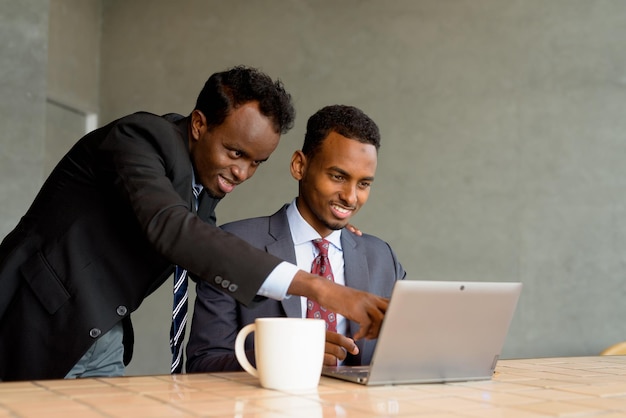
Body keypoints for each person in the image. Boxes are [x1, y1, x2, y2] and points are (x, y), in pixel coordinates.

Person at [0, 67, 388, 381]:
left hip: (101, 335)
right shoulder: (138, 140)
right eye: (235, 152)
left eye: (256, 162)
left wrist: (329, 240)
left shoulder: (201, 191)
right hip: (31, 322)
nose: (242, 172)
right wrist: (318, 287)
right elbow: (172, 229)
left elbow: (205, 250)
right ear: (200, 124)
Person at [186, 105, 406, 373]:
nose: (350, 197)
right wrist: (286, 354)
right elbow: (203, 363)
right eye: (338, 177)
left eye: (364, 184)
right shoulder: (234, 245)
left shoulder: (381, 257)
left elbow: (411, 353)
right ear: (299, 165)